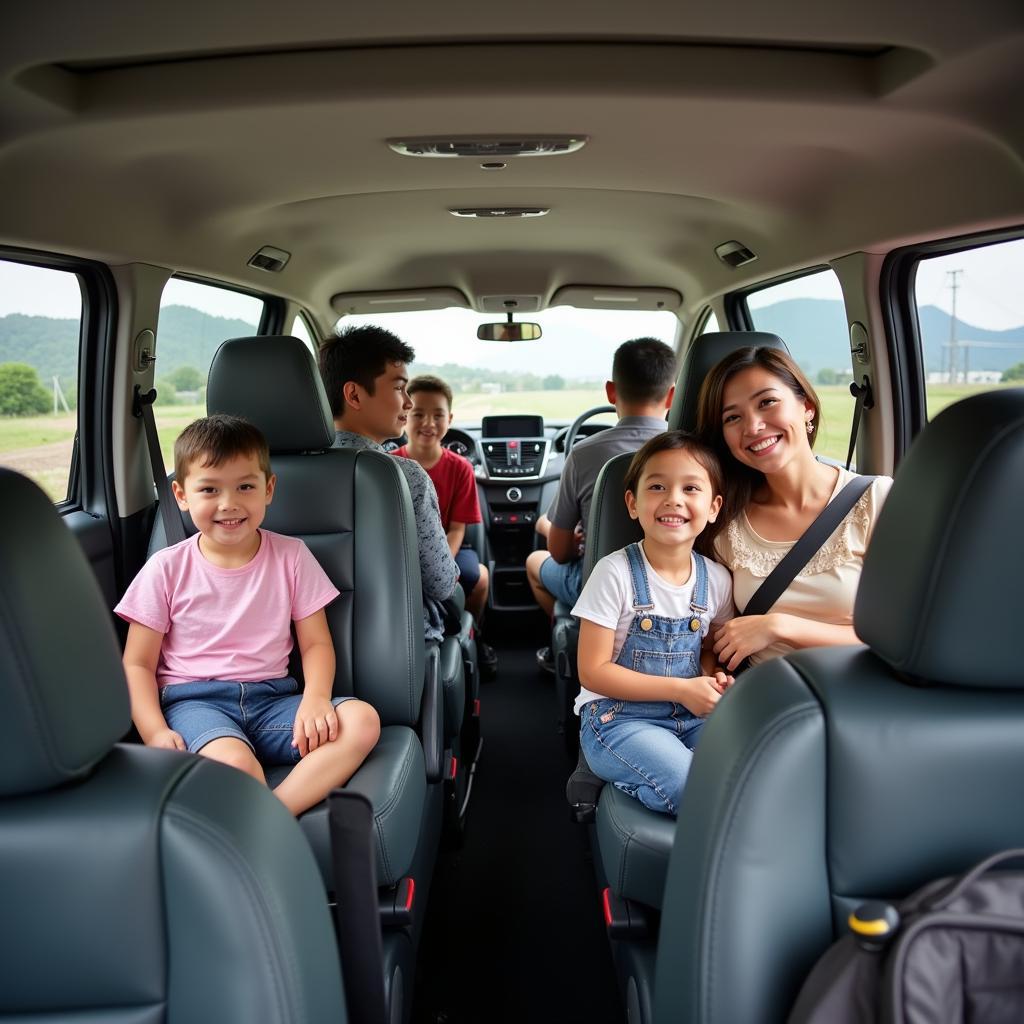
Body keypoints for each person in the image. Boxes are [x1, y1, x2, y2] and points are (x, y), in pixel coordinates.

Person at [116, 414, 381, 816]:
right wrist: (155, 731)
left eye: (245, 486)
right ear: (181, 495)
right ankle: (264, 823)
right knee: (238, 765)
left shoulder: (291, 556)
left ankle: (276, 812)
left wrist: (315, 699)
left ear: (268, 489)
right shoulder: (165, 568)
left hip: (273, 701)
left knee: (361, 720)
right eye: (209, 489)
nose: (229, 504)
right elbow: (137, 663)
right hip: (197, 704)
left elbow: (316, 643)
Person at [696, 346, 894, 670]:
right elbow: (713, 642)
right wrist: (713, 679)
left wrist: (778, 627)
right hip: (764, 703)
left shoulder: (876, 499)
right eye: (733, 417)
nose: (753, 427)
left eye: (767, 402)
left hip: (863, 701)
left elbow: (906, 636)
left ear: (807, 407)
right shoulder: (723, 522)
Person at [573, 432, 735, 816]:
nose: (673, 499)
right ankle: (617, 773)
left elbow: (710, 648)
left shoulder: (716, 580)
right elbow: (592, 672)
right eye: (658, 486)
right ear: (633, 503)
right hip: (618, 719)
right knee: (690, 787)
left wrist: (710, 681)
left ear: (713, 507)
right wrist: (682, 689)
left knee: (753, 767)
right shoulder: (613, 573)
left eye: (690, 488)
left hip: (690, 715)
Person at [527, 336, 677, 673]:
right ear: (671, 395)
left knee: (535, 562)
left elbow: (560, 552)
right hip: (676, 589)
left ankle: (567, 641)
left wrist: (548, 525)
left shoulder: (583, 453)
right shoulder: (692, 453)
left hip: (598, 586)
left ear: (611, 392)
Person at [318, 324, 459, 643]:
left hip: (301, 647)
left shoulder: (266, 479)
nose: (408, 404)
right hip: (398, 643)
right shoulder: (403, 476)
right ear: (354, 394)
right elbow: (441, 583)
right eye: (399, 389)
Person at [392, 374, 497, 676]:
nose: (428, 423)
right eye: (419, 414)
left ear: (449, 419)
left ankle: (471, 631)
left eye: (437, 415)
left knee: (480, 578)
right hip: (403, 552)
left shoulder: (460, 468)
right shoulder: (389, 464)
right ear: (405, 415)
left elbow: (457, 528)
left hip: (448, 549)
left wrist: (441, 566)